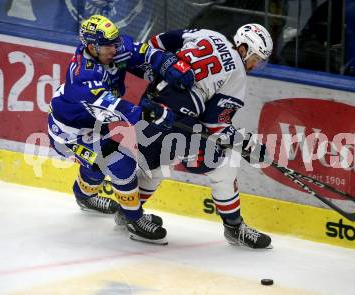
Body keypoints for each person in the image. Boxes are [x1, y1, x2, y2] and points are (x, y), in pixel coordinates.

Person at [121, 24, 273, 249]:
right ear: (243, 48)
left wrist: (165, 71)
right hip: (177, 122)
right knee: (223, 166)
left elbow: (157, 43)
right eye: (255, 57)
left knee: (154, 165)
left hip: (150, 105)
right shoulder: (238, 74)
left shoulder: (209, 34)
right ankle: (234, 228)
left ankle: (128, 214)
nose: (255, 64)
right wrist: (247, 144)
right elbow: (215, 125)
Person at [47, 15, 193, 244]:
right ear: (91, 47)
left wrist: (167, 63)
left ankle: (84, 198)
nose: (115, 49)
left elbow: (142, 52)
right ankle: (134, 220)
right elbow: (114, 106)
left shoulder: (112, 47)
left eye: (115, 43)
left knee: (96, 166)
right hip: (69, 134)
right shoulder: (84, 77)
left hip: (93, 124)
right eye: (108, 46)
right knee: (120, 163)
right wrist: (148, 113)